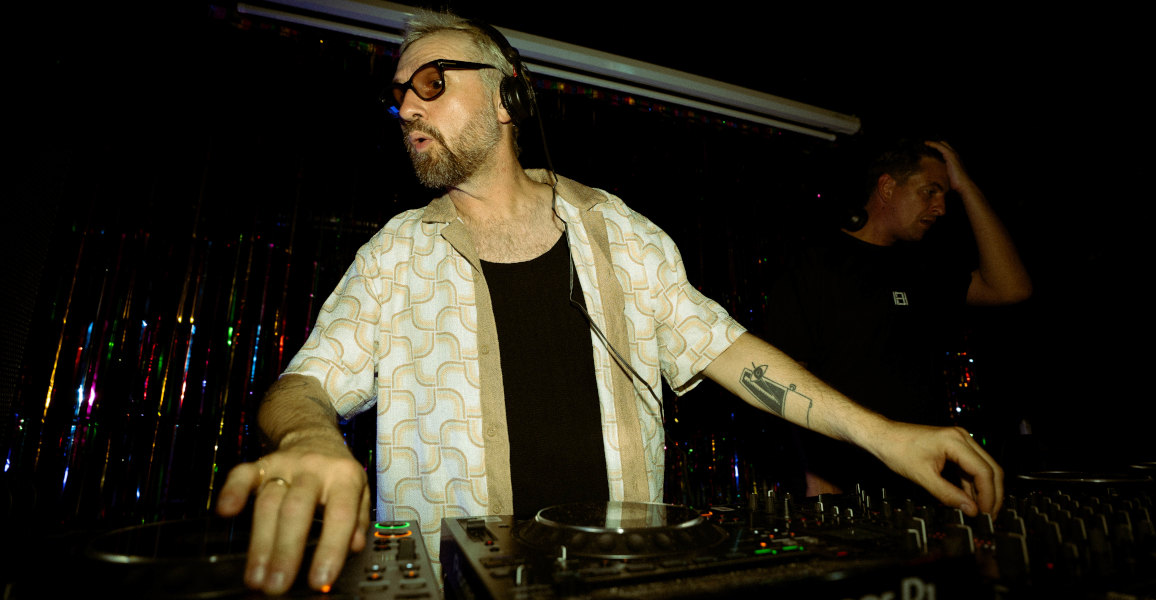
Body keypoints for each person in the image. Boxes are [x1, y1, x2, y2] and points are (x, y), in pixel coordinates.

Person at [215, 13, 1005, 596]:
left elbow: (728, 351)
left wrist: (885, 436)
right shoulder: (396, 252)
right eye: (399, 95)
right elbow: (302, 386)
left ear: (507, 99)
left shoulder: (617, 231)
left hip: (621, 584)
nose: (409, 107)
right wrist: (313, 440)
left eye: (432, 82)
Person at [766, 139, 1032, 499]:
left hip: (928, 478)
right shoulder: (815, 263)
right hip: (846, 481)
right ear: (888, 187)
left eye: (945, 196)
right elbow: (785, 377)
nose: (940, 208)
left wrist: (966, 186)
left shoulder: (925, 268)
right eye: (930, 192)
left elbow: (1012, 288)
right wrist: (813, 471)